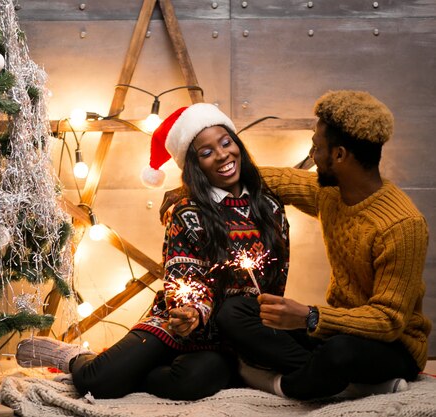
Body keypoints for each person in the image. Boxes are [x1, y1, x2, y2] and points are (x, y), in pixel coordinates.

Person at [15, 103, 290, 400]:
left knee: (195, 380)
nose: (223, 155)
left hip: (228, 340)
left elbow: (276, 278)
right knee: (99, 382)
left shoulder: (271, 208)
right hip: (178, 321)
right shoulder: (187, 212)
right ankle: (73, 358)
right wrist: (191, 311)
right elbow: (183, 274)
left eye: (226, 142)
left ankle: (137, 372)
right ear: (195, 165)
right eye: (207, 152)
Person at [214, 90, 431, 400]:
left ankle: (284, 385)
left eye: (316, 148)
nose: (312, 156)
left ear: (339, 155)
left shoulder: (402, 225)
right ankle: (351, 385)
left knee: (339, 352)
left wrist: (310, 317)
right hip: (336, 330)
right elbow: (276, 179)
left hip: (391, 346)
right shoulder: (331, 193)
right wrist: (192, 188)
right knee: (234, 312)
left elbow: (388, 321)